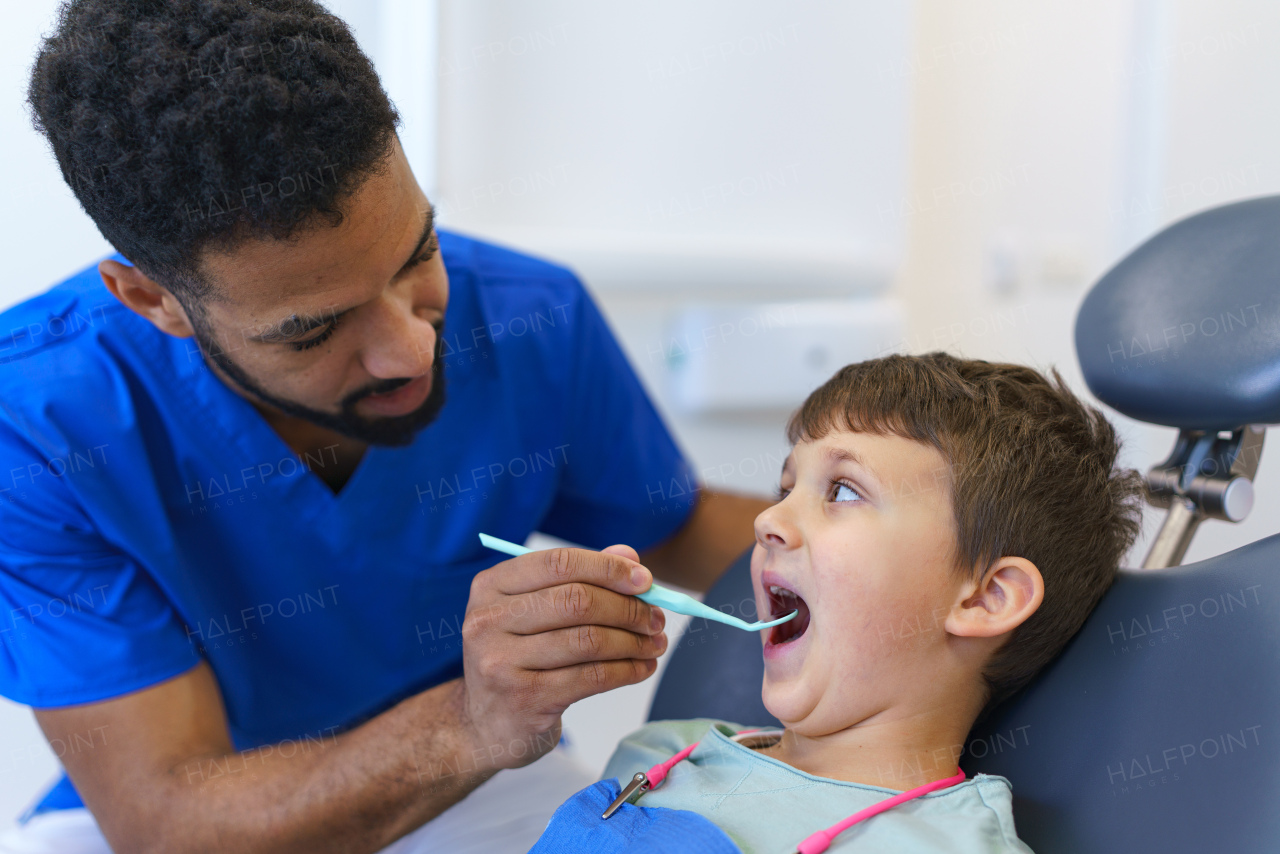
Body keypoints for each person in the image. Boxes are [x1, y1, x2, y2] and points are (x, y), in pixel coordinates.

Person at [0, 1, 772, 852]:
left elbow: (675, 526)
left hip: (478, 791)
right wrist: (472, 721)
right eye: (311, 330)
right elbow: (168, 819)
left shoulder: (529, 316)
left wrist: (886, 526)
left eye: (418, 256)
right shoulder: (35, 430)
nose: (412, 351)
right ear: (154, 301)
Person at [530, 353, 1147, 853]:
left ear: (986, 598)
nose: (769, 517)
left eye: (845, 492)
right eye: (787, 487)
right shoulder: (662, 754)